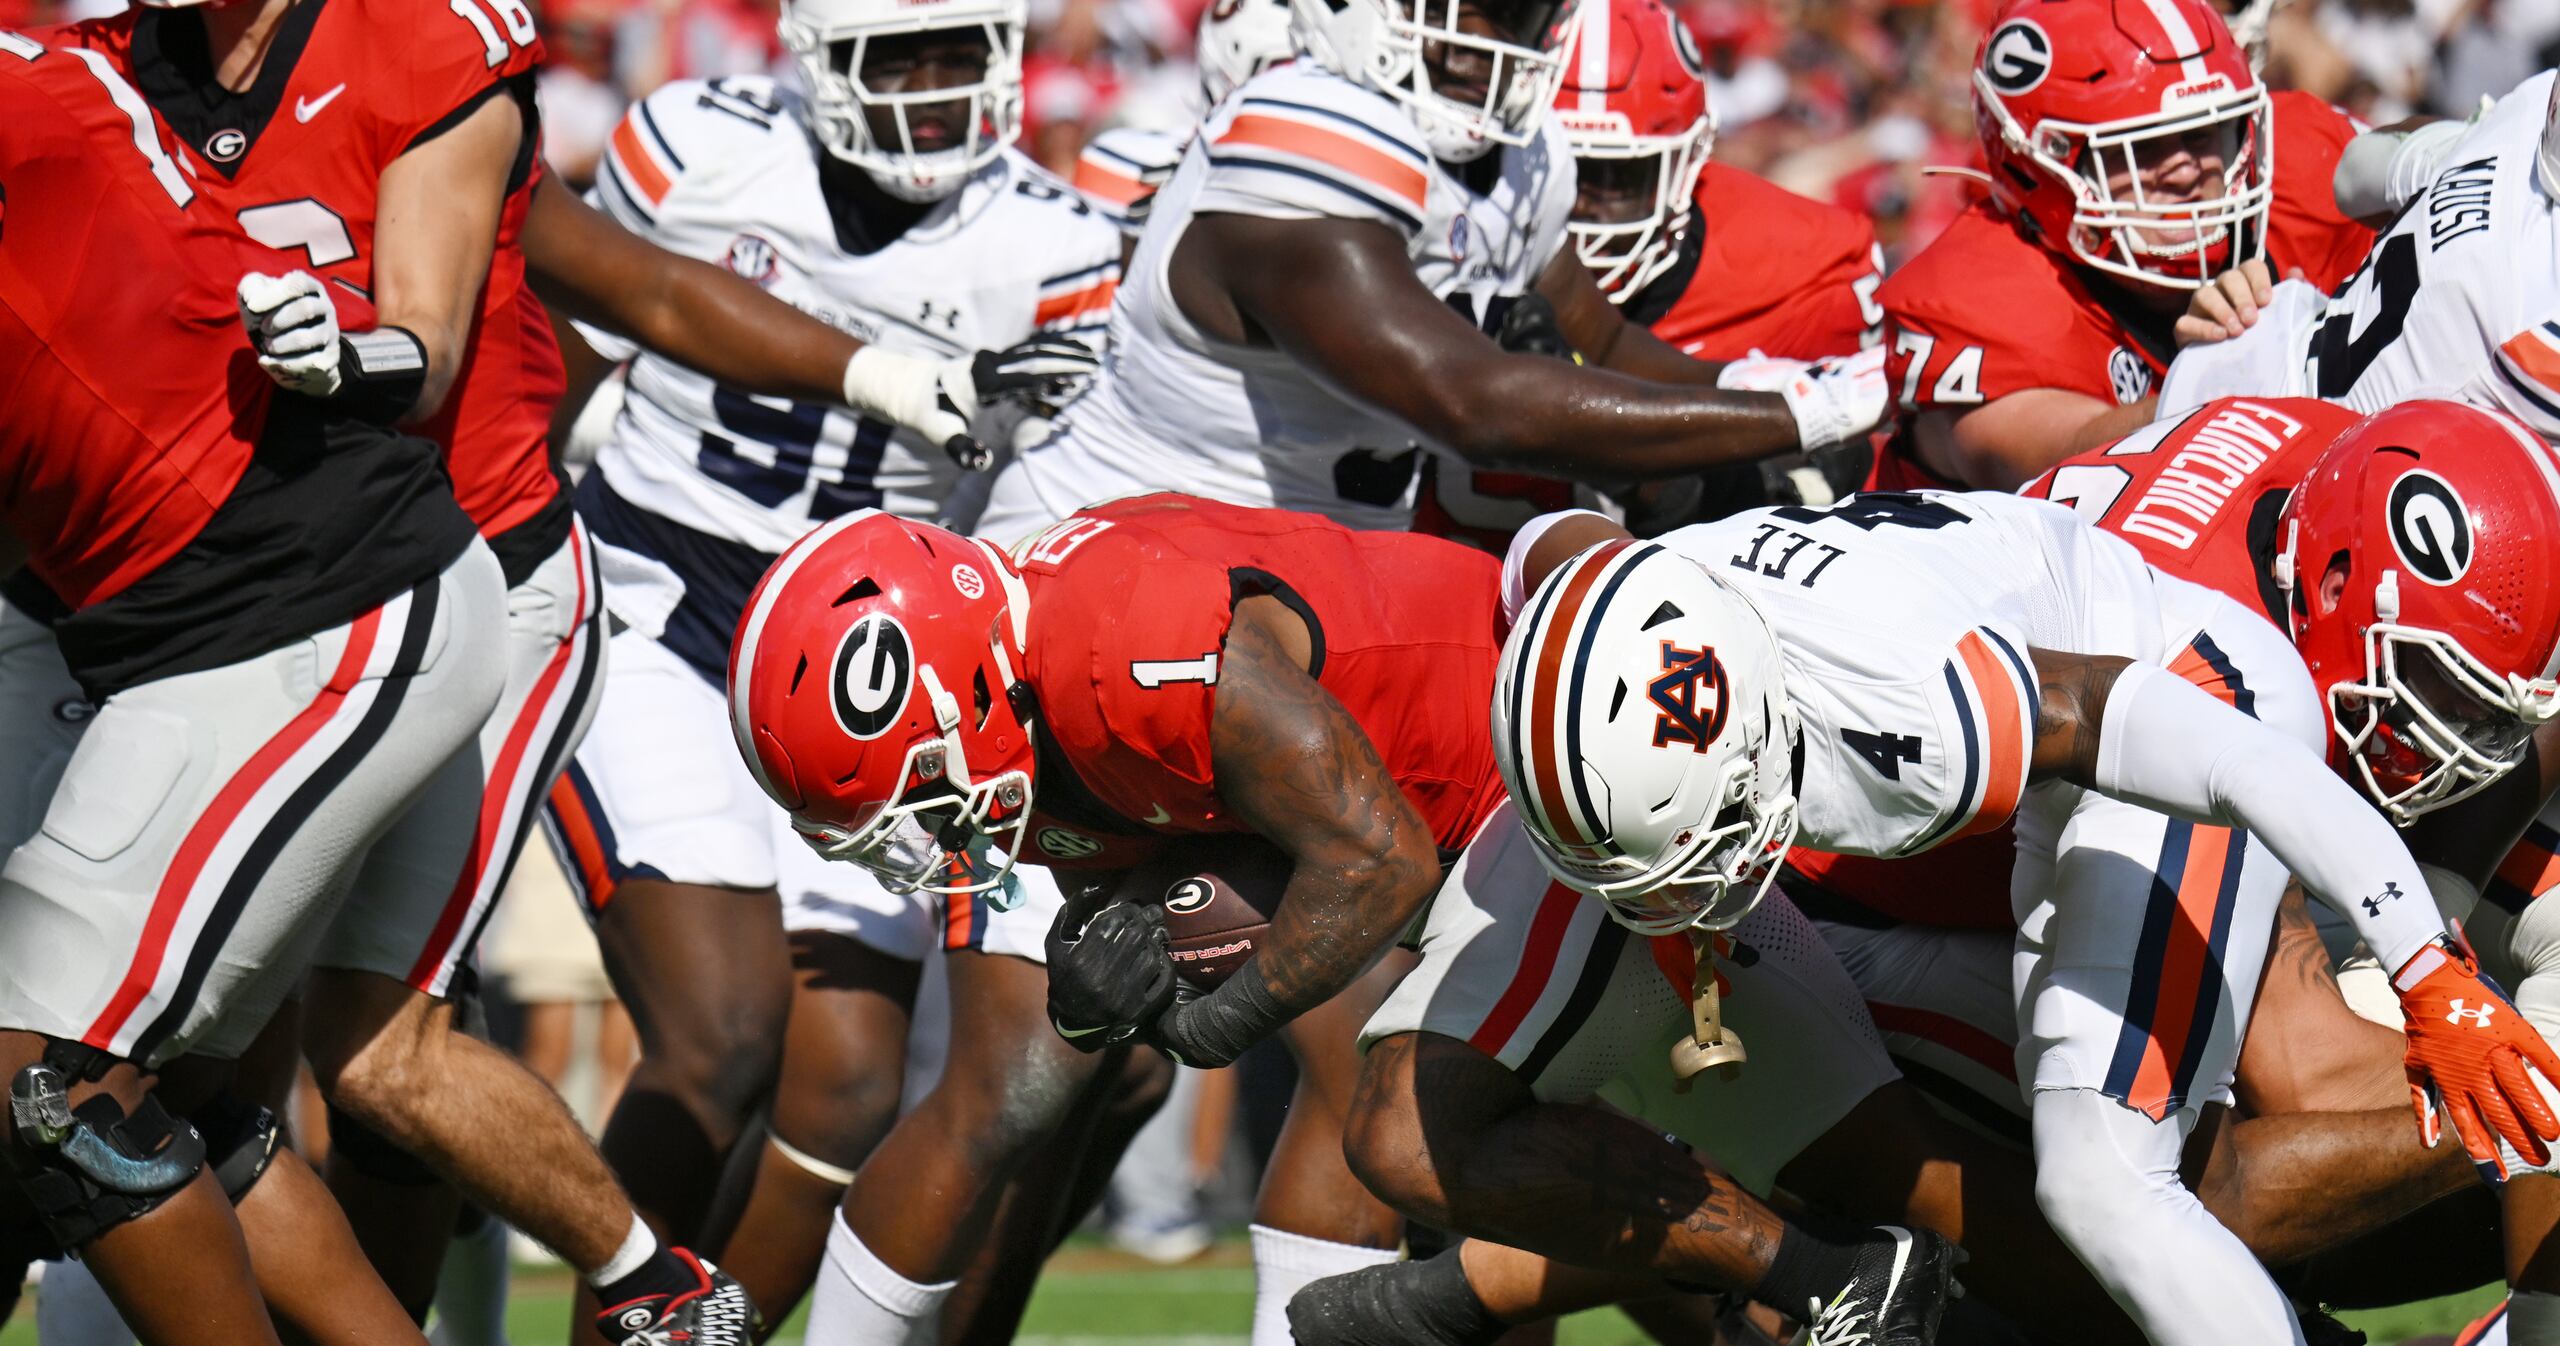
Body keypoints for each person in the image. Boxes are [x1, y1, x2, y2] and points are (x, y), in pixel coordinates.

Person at [1371, 487, 2560, 1346]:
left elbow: (2223, 749)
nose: (1679, 905)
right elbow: (1552, 541)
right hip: (1996, 700)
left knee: (2107, 1176)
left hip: (2176, 684)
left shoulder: (1915, 703)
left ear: (1756, 745)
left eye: (1703, 848)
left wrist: (2426, 965)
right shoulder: (1603, 609)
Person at [31, 0, 769, 1331]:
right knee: (184, 1077)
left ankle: (656, 1286)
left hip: (467, 574)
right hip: (263, 595)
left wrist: (345, 353)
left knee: (380, 1048)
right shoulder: (108, 69)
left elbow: (429, 352)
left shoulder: (420, 36)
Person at [535, 0, 1120, 1329]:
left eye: (961, 51)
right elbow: (566, 358)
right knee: (722, 1031)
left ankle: (703, 1332)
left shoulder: (1060, 245)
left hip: (875, 674)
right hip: (665, 606)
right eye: (895, 55)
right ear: (817, 56)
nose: (934, 85)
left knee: (849, 1088)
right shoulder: (695, 147)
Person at [0, 32, 505, 1344]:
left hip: (316, 609)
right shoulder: (58, 79)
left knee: (46, 1086)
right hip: (201, 637)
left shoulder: (35, 98)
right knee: (142, 1105)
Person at [973, 0, 1889, 542]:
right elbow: (1472, 406)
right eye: (1463, 8)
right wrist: (1801, 415)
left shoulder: (1524, 153)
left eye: (1515, 14)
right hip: (1116, 539)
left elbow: (1603, 341)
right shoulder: (1303, 130)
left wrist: (1782, 390)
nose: (1485, 44)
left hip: (1310, 565)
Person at [1412, 0, 1888, 549]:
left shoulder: (1803, 269)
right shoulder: (1418, 205)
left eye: (1616, 178)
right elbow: (1486, 405)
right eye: (1557, 165)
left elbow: (1609, 345)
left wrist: (1772, 397)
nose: (1578, 207)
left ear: (1687, 164)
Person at [1873, 0, 2374, 494]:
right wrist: (2221, 381)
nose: (2186, 171)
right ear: (2040, 167)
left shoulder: (2299, 162)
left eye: (2202, 133)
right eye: (2142, 147)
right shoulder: (1980, 293)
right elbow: (2064, 470)